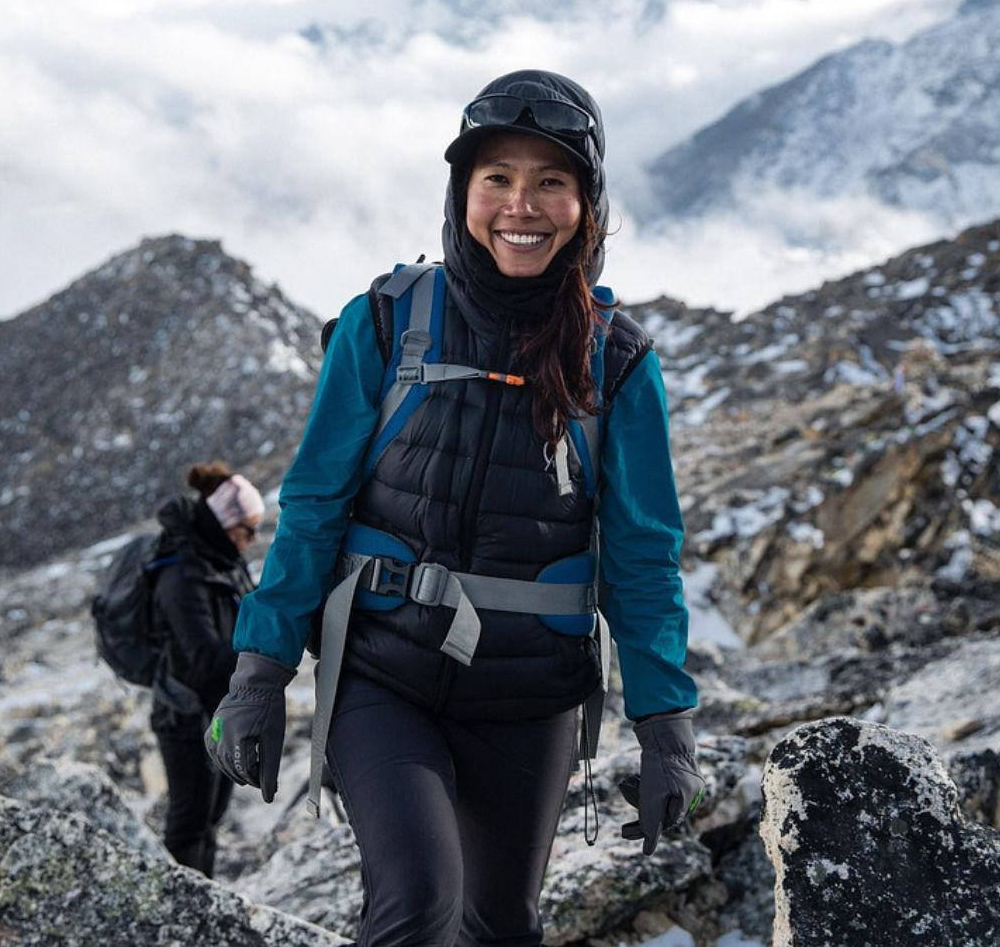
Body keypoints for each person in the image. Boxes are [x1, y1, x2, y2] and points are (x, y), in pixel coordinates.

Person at [206, 70, 703, 944]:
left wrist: (667, 725)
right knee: (417, 904)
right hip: (384, 672)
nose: (524, 204)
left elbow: (642, 557)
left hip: (529, 694)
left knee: (502, 924)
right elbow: (315, 507)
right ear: (462, 193)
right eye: (497, 179)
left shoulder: (618, 363)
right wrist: (259, 671)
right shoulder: (386, 324)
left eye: (553, 180)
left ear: (588, 205)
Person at [148, 462, 262, 877]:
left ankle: (201, 909)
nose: (252, 540)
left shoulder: (221, 562)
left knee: (210, 819)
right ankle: (177, 916)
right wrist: (262, 659)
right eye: (247, 529)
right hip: (185, 716)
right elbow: (202, 657)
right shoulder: (182, 573)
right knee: (189, 823)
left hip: (219, 712)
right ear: (225, 523)